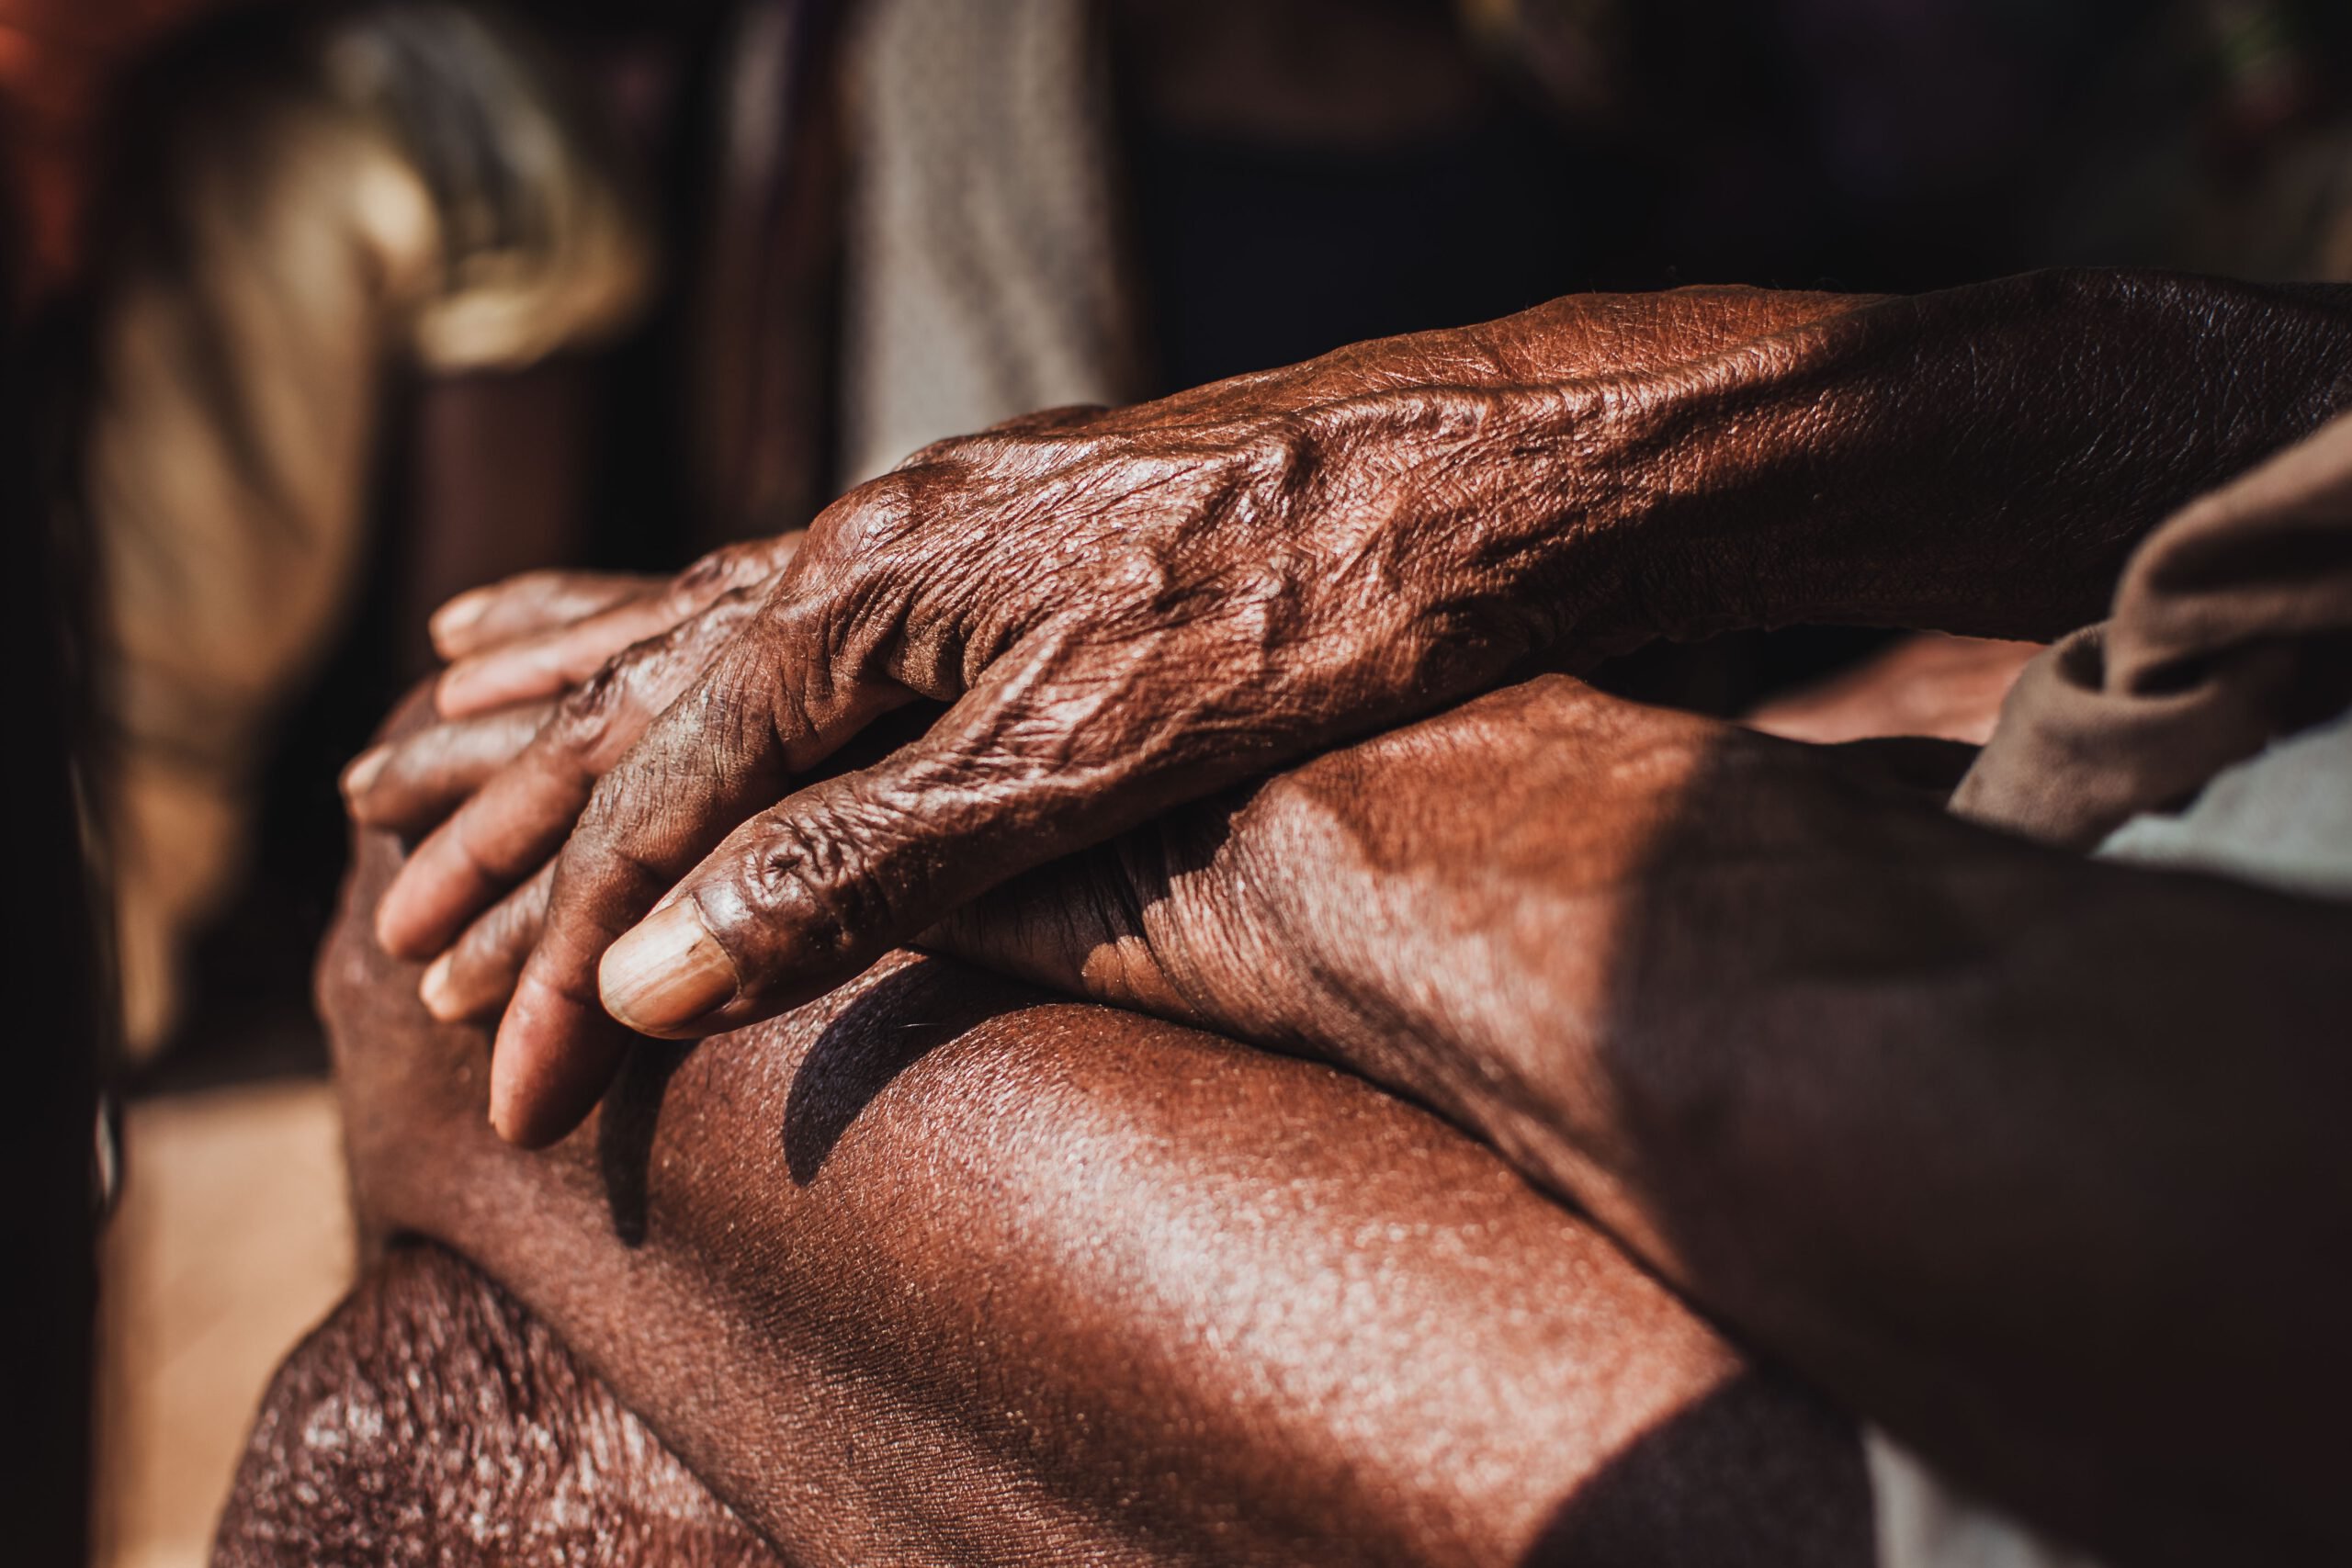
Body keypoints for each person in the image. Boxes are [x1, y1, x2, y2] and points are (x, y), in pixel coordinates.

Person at [320, 269, 2352, 1565]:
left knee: (475, 946)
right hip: (2110, 921)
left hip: (2107, 1339)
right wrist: (1495, 457)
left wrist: (1347, 822)